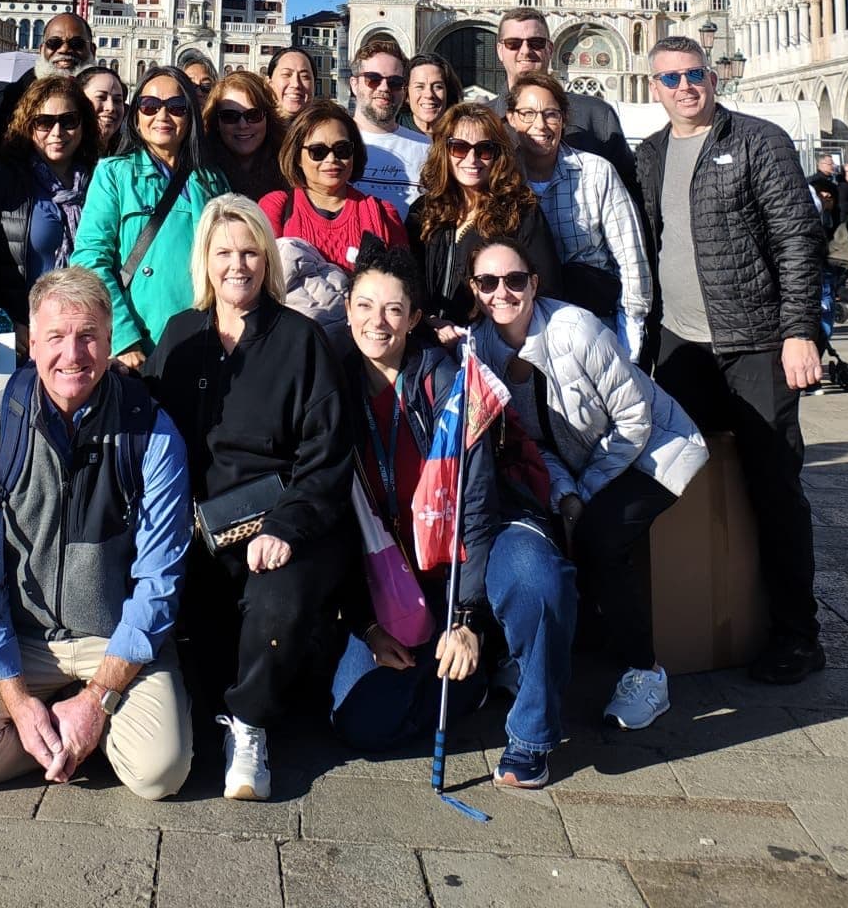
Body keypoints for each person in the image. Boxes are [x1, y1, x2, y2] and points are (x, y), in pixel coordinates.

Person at [0, 267, 193, 802]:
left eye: (89, 335)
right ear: (31, 340)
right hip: (24, 643)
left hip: (116, 642)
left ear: (111, 341)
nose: (74, 354)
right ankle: (59, 731)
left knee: (160, 773)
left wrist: (97, 696)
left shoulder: (152, 432)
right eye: (56, 337)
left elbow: (160, 581)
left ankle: (81, 720)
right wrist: (18, 701)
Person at [146, 195, 352, 800]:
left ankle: (251, 728)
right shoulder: (183, 334)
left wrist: (285, 528)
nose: (238, 265)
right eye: (223, 253)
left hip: (282, 517)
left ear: (268, 259)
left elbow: (326, 456)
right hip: (195, 522)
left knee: (275, 599)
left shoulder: (301, 340)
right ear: (204, 262)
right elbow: (154, 432)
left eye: (250, 252)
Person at [637, 36, 827, 685]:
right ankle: (693, 616)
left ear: (711, 78)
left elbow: (798, 234)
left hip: (754, 343)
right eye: (670, 78)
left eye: (694, 74)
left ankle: (798, 635)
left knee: (773, 484)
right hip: (681, 346)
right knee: (673, 482)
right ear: (654, 85)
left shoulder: (757, 139)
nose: (684, 86)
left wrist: (800, 331)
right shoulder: (653, 153)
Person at [467, 235, 707, 738]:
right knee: (537, 528)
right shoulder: (483, 346)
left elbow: (634, 418)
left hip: (653, 451)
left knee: (600, 538)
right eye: (488, 282)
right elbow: (530, 441)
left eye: (514, 280)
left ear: (533, 283)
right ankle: (537, 657)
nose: (501, 293)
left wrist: (586, 489)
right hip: (579, 461)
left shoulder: (575, 329)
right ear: (474, 287)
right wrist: (563, 492)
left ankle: (646, 671)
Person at [330, 241, 492, 755]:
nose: (377, 322)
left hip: (440, 578)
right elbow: (331, 518)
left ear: (414, 317)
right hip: (378, 586)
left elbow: (475, 503)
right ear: (347, 308)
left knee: (383, 715)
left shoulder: (444, 386)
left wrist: (465, 619)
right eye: (364, 306)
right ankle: (435, 678)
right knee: (355, 722)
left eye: (394, 310)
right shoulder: (331, 386)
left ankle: (469, 675)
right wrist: (368, 626)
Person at [70, 68, 227, 368]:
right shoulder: (114, 173)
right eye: (150, 106)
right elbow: (90, 260)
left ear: (190, 115)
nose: (162, 116)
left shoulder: (212, 179)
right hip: (143, 345)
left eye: (177, 107)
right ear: (136, 115)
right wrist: (123, 338)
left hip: (208, 335)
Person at [505, 73, 654, 361]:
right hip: (523, 335)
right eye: (528, 114)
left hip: (594, 325)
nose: (540, 124)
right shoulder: (501, 178)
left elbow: (631, 258)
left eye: (551, 114)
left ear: (564, 119)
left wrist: (630, 336)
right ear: (511, 118)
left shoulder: (597, 172)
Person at [406, 103, 560, 342]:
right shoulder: (425, 210)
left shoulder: (520, 211)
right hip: (429, 342)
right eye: (459, 148)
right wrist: (428, 320)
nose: (472, 159)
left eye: (484, 149)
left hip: (495, 347)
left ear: (498, 154)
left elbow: (545, 289)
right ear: (443, 151)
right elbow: (408, 281)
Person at [0, 75, 101, 332]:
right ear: (27, 125)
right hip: (25, 332)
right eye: (44, 122)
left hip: (88, 328)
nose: (57, 132)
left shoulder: (102, 181)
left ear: (84, 124)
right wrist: (8, 322)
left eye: (69, 121)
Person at [489, 9, 644, 214]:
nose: (525, 51)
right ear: (500, 51)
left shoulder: (596, 116)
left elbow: (628, 195)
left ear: (550, 49)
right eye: (513, 44)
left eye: (536, 43)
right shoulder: (482, 120)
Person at [259, 101, 405, 272]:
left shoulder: (382, 214)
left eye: (341, 149)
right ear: (298, 156)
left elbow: (404, 285)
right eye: (318, 151)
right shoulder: (276, 208)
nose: (331, 159)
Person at [348, 34, 429, 221]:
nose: (384, 88)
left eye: (394, 82)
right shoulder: (332, 145)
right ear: (354, 84)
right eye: (373, 79)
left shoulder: (427, 149)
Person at [0, 11, 96, 131]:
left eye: (76, 43)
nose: (64, 49)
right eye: (54, 43)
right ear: (42, 50)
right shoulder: (15, 96)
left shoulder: (109, 98)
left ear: (92, 50)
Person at [203, 71, 287, 205]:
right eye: (229, 116)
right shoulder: (200, 175)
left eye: (253, 115)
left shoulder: (290, 169)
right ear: (216, 122)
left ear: (268, 118)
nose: (243, 125)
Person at [78, 64, 128, 154]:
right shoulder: (60, 158)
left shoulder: (131, 158)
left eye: (117, 100)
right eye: (101, 97)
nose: (111, 107)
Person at [406, 55, 457, 139]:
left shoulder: (461, 135)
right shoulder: (390, 129)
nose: (429, 94)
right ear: (406, 94)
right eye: (420, 87)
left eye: (438, 86)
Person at [266, 47, 317, 125]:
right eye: (286, 74)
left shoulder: (328, 133)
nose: (296, 84)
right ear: (269, 84)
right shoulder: (251, 130)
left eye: (304, 76)